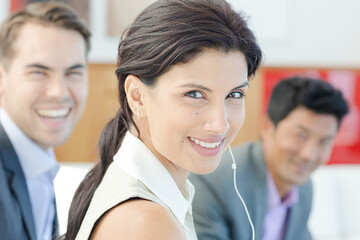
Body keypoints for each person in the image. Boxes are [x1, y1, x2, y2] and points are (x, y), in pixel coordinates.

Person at [64, 0, 262, 239]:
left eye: (234, 94)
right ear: (137, 97)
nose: (220, 124)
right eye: (195, 94)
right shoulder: (147, 223)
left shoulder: (157, 196)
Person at [189, 76, 349, 240]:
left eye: (324, 141)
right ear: (267, 127)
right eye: (300, 135)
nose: (309, 155)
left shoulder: (303, 188)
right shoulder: (213, 183)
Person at [0, 2, 91, 240]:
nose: (59, 92)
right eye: (39, 72)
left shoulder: (38, 162)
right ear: (2, 77)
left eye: (73, 72)